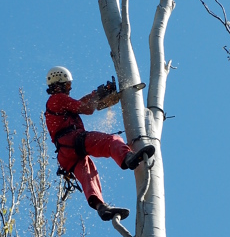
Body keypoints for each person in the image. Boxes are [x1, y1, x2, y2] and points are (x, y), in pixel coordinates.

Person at [45, 66, 155, 221]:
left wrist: (95, 94)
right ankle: (128, 157)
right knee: (110, 141)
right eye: (68, 85)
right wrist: (97, 97)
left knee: (89, 176)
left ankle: (101, 207)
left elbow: (78, 103)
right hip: (73, 140)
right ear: (61, 83)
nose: (70, 89)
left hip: (65, 154)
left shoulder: (56, 102)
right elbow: (87, 108)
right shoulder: (58, 99)